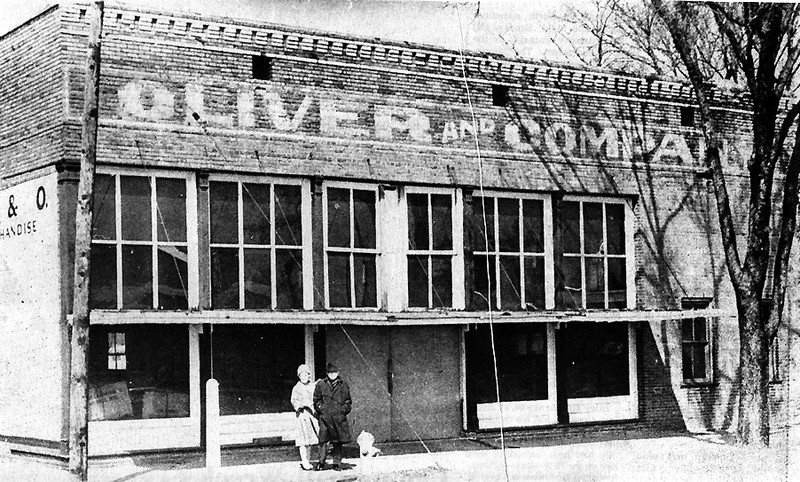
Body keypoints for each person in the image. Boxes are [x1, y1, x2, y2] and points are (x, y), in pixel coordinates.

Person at [313, 362, 352, 471]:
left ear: (338, 373)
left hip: (338, 418)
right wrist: (321, 409)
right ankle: (321, 462)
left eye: (334, 372)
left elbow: (348, 401)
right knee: (323, 441)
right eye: (330, 372)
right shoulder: (321, 384)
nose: (332, 374)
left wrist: (343, 411)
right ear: (327, 373)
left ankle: (337, 463)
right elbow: (316, 400)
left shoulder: (343, 385)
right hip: (325, 418)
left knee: (337, 441)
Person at [290, 364, 319, 471]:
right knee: (303, 440)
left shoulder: (312, 386)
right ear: (299, 376)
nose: (304, 377)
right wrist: (302, 404)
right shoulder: (297, 388)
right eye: (302, 375)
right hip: (302, 416)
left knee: (310, 440)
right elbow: (294, 401)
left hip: (311, 416)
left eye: (306, 374)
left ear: (309, 375)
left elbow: (315, 397)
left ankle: (308, 459)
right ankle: (304, 461)